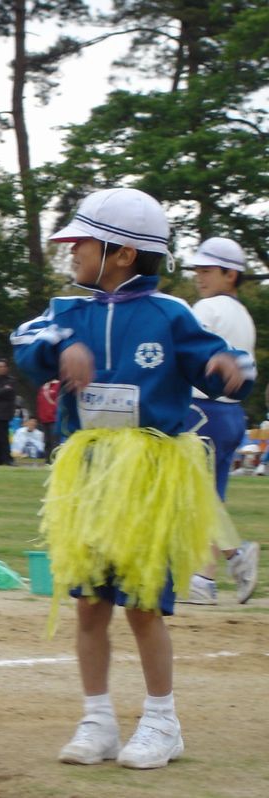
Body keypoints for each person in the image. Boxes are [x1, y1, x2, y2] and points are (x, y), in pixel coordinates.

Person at [11, 188, 254, 770]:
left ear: (121, 253)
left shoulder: (172, 314)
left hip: (148, 477)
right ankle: (96, 719)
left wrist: (229, 371)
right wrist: (63, 344)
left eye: (82, 243)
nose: (71, 253)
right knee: (90, 604)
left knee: (143, 603)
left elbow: (230, 365)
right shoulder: (68, 312)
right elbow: (23, 342)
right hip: (88, 473)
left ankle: (162, 721)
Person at [179, 236, 260, 605]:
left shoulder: (207, 308)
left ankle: (228, 562)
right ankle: (204, 576)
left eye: (208, 270)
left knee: (196, 498)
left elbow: (184, 353)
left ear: (231, 274)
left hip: (203, 413)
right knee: (209, 499)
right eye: (198, 269)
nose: (200, 276)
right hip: (231, 414)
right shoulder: (244, 317)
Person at [36, 379, 60, 464]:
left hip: (54, 418)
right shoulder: (43, 386)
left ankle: (55, 460)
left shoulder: (58, 385)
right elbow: (40, 402)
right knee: (47, 441)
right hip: (44, 419)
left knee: (54, 441)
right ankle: (47, 460)